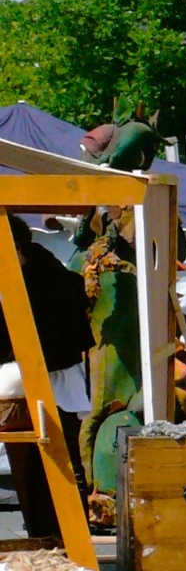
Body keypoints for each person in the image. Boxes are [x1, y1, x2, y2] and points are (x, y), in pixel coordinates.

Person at [0, 215, 95, 539]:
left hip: (54, 386)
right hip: (30, 385)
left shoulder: (47, 280)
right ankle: (43, 538)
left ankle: (70, 540)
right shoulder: (28, 272)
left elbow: (52, 341)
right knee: (31, 471)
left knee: (61, 467)